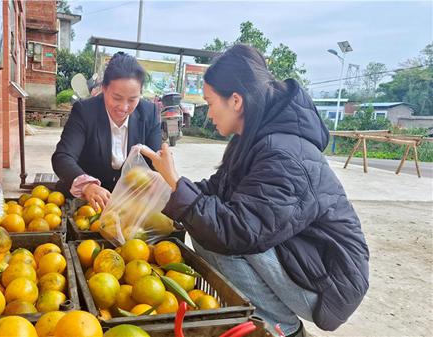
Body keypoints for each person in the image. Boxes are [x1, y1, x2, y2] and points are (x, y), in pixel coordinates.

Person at [141, 44, 369, 336]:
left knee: (213, 234)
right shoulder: (252, 137)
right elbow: (217, 190)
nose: (208, 113)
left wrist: (177, 186)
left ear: (235, 100)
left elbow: (240, 231)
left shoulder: (285, 155)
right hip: (303, 258)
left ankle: (282, 329)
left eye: (210, 103)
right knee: (203, 219)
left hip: (329, 282)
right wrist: (168, 188)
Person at [52, 52, 162, 211]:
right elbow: (63, 157)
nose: (124, 107)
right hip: (85, 205)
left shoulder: (149, 113)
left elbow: (155, 163)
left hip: (129, 206)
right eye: (117, 98)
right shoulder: (85, 111)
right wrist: (87, 185)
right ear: (104, 89)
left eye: (132, 100)